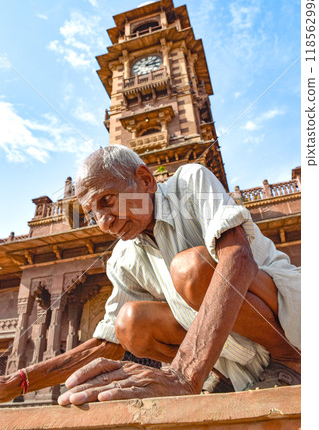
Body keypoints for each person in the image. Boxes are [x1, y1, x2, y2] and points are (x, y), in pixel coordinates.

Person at [0, 145, 300, 405]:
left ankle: (290, 362)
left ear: (145, 180)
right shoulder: (124, 257)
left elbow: (239, 258)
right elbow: (108, 344)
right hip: (232, 355)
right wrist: (16, 383)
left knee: (191, 268)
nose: (104, 222)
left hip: (291, 324)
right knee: (129, 323)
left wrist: (184, 373)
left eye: (107, 200)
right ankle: (220, 376)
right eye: (92, 213)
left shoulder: (189, 182)